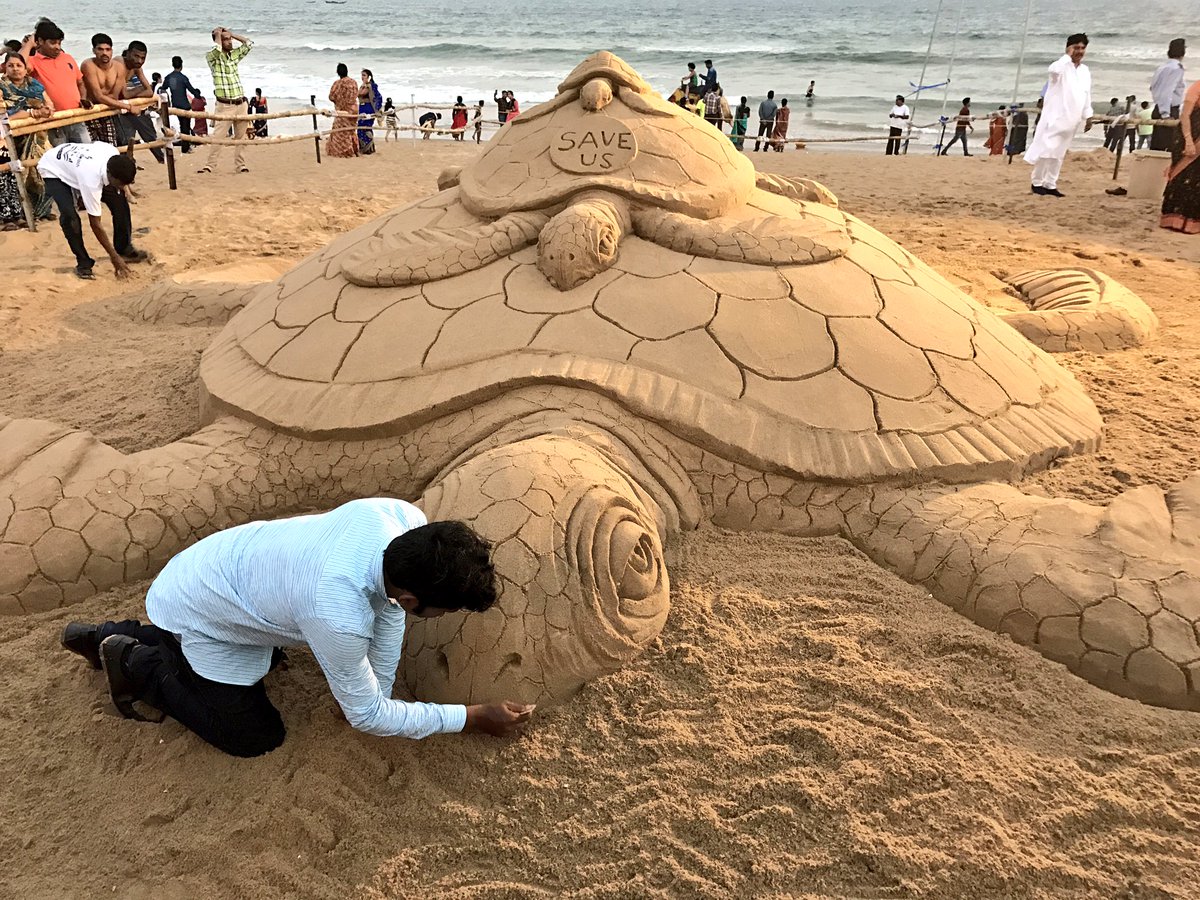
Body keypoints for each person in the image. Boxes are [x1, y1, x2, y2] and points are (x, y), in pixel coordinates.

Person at [59, 499, 534, 757]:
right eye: (446, 610)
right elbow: (366, 717)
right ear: (413, 598)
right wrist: (470, 717)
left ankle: (106, 633)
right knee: (253, 739)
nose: (444, 618)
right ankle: (133, 660)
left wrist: (379, 688)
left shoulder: (399, 518)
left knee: (270, 661)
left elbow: (391, 610)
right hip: (199, 612)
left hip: (222, 570)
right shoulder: (337, 614)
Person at [37, 142, 148, 279]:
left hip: (75, 163)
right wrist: (114, 257)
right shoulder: (91, 180)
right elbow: (95, 224)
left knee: (120, 200)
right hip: (53, 168)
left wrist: (123, 189)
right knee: (70, 217)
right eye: (120, 183)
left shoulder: (111, 152)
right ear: (111, 176)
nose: (123, 186)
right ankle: (83, 262)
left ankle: (123, 247)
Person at [1025, 33, 1094, 197]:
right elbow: (1054, 70)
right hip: (1055, 117)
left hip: (1072, 119)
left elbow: (1086, 94)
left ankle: (1050, 184)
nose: (1079, 51)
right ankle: (1037, 182)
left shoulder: (1085, 70)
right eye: (1076, 47)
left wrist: (1088, 115)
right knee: (1046, 150)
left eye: (1082, 48)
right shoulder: (1061, 67)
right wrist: (1066, 57)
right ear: (1069, 48)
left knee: (1059, 153)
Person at [0, 50, 55, 223]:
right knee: (17, 173)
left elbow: (49, 105)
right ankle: (20, 214)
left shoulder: (35, 86)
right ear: (5, 68)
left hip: (37, 135)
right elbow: (5, 112)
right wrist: (31, 112)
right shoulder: (1, 86)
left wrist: (46, 110)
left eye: (19, 65)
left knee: (44, 170)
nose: (15, 69)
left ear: (25, 69)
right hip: (10, 137)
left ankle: (42, 211)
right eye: (11, 66)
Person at [19, 19, 91, 145]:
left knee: (87, 153)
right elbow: (18, 66)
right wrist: (29, 44)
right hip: (53, 121)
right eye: (53, 43)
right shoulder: (33, 61)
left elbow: (81, 83)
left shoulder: (68, 58)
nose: (57, 47)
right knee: (60, 158)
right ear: (40, 41)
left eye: (59, 43)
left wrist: (83, 98)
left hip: (76, 117)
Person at [198, 26, 253, 175]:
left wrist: (232, 34)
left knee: (240, 138)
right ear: (219, 41)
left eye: (230, 39)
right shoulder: (213, 57)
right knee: (218, 137)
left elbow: (249, 43)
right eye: (226, 40)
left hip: (241, 103)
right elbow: (216, 50)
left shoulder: (234, 55)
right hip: (225, 105)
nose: (230, 42)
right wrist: (218, 36)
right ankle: (210, 165)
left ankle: (240, 165)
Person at [115, 41, 165, 164]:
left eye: (143, 58)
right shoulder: (119, 63)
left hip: (130, 105)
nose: (139, 61)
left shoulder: (136, 68)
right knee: (124, 139)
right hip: (115, 106)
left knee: (146, 133)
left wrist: (132, 94)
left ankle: (160, 158)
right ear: (128, 53)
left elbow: (149, 91)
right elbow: (123, 94)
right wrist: (138, 90)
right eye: (136, 56)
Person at [1161, 78, 1199, 233]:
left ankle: (1193, 222)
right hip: (1189, 135)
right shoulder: (1197, 86)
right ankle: (1175, 220)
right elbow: (1185, 116)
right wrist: (1189, 140)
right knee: (1184, 175)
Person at [1150, 38, 1186, 152]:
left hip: (1158, 108)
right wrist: (1165, 114)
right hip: (1168, 110)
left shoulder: (1162, 67)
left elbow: (1153, 88)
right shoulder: (1176, 69)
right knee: (1168, 149)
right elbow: (1167, 91)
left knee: (1157, 147)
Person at [161, 56, 201, 152]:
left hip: (175, 105)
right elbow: (191, 90)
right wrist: (198, 95)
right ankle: (185, 148)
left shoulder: (169, 77)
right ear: (181, 65)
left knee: (181, 125)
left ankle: (184, 146)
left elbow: (163, 88)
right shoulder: (183, 78)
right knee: (185, 127)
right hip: (184, 105)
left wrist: (164, 99)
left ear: (172, 64)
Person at [326, 62, 358, 157]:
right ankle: (353, 149)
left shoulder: (337, 84)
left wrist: (339, 101)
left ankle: (343, 152)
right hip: (354, 110)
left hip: (342, 111)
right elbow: (356, 94)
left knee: (340, 132)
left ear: (338, 72)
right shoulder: (354, 82)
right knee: (350, 131)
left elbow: (331, 96)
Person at [357, 68, 382, 154]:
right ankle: (365, 148)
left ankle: (368, 148)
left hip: (368, 108)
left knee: (366, 127)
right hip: (362, 108)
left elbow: (362, 94)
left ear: (369, 76)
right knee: (360, 127)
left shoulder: (369, 86)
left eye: (364, 75)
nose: (362, 77)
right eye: (361, 75)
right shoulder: (363, 85)